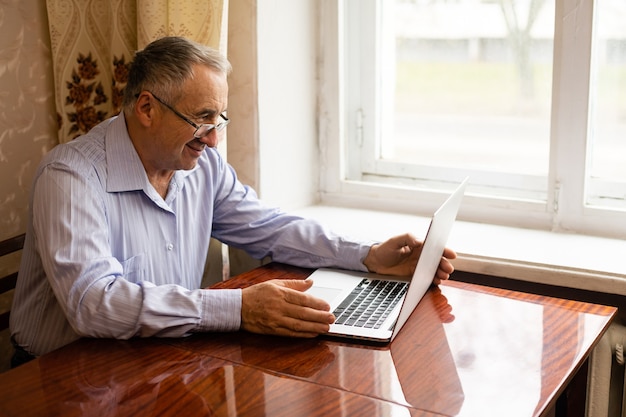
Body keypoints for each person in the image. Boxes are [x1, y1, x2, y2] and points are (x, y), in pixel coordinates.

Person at [9, 36, 456, 366]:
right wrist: (239, 309)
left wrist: (366, 255)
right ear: (147, 108)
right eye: (202, 118)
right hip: (61, 374)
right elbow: (93, 303)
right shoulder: (70, 177)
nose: (215, 138)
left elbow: (270, 228)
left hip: (157, 359)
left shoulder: (199, 165)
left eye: (219, 117)